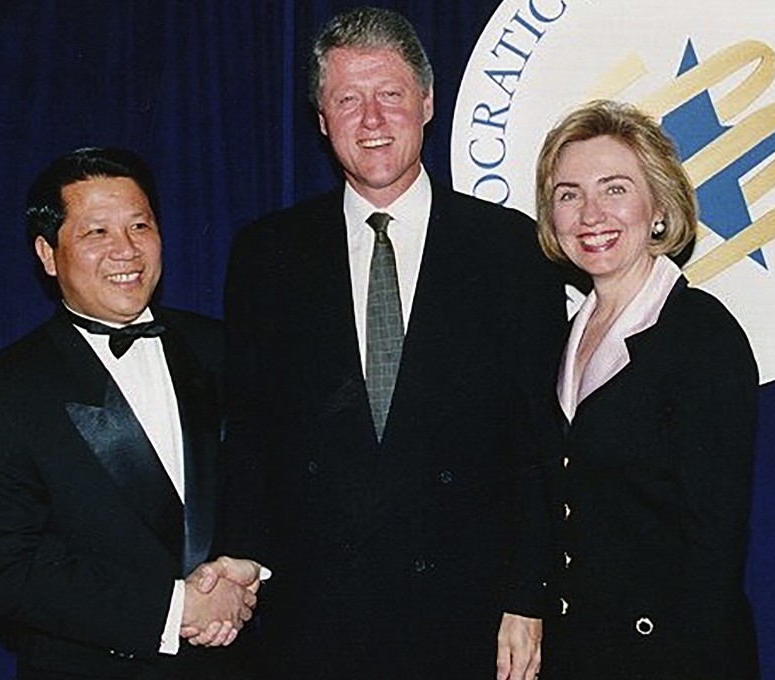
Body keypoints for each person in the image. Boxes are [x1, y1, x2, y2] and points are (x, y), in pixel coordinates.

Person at [217, 6, 565, 680]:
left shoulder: (511, 250)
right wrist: (238, 560)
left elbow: (537, 445)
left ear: (427, 103)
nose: (372, 119)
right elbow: (249, 431)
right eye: (348, 99)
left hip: (467, 617)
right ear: (322, 120)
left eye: (390, 94)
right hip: (314, 621)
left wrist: (528, 597)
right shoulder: (267, 254)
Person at [0, 147, 266, 680]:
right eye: (97, 232)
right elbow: (15, 573)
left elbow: (273, 482)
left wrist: (246, 567)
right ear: (48, 254)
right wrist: (178, 609)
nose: (126, 250)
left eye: (140, 226)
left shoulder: (222, 348)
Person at [533, 100, 759, 679]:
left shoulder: (703, 337)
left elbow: (714, 546)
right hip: (573, 656)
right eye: (569, 194)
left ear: (658, 207)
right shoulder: (558, 339)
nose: (590, 214)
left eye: (614, 189)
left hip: (673, 658)